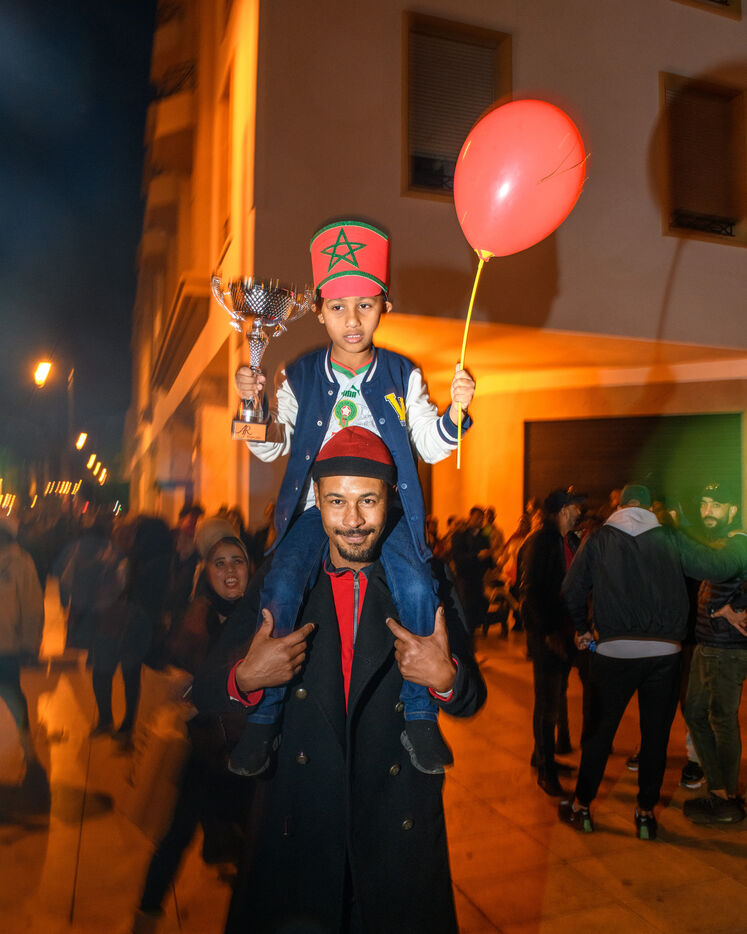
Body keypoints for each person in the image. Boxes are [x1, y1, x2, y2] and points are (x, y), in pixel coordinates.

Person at [193, 428, 486, 933]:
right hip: (300, 818)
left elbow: (470, 696)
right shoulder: (279, 581)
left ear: (390, 498)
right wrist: (247, 677)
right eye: (336, 501)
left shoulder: (427, 578)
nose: (352, 520)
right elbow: (204, 688)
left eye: (367, 500)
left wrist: (445, 678)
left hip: (393, 824)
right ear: (317, 500)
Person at [231, 218, 476, 777]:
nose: (352, 320)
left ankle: (421, 716)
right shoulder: (298, 375)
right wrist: (254, 407)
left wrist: (457, 412)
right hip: (313, 512)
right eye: (339, 307)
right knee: (282, 586)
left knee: (418, 587)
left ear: (384, 306)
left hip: (385, 515)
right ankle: (263, 718)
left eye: (365, 305)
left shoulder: (403, 373)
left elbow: (430, 444)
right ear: (319, 310)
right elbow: (273, 448)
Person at [559, 483, 745, 839]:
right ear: (649, 508)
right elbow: (717, 566)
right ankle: (645, 815)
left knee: (600, 734)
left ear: (621, 506)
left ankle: (582, 808)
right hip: (664, 654)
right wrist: (741, 540)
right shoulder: (670, 538)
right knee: (655, 737)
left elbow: (571, 589)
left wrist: (582, 629)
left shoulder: (599, 538)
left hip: (614, 653)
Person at [132, 518, 253, 933]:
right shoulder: (198, 615)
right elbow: (173, 663)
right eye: (220, 563)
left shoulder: (264, 617)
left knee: (251, 843)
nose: (230, 571)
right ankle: (145, 914)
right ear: (208, 570)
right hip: (203, 749)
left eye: (238, 562)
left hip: (246, 751)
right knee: (178, 832)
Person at [682, 481, 747, 824]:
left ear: (732, 510)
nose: (707, 511)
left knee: (722, 718)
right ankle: (719, 788)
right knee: (694, 712)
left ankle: (726, 799)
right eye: (704, 503)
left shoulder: (738, 543)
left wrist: (736, 606)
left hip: (725, 649)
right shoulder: (722, 542)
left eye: (716, 505)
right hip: (707, 644)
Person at [519, 487, 585, 796]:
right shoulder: (542, 541)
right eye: (575, 506)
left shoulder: (565, 539)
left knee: (556, 697)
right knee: (546, 703)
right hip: (547, 634)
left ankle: (542, 755)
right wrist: (547, 632)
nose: (580, 511)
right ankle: (546, 770)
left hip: (562, 631)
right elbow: (531, 589)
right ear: (561, 510)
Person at [0, 516, 45, 782]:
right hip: (8, 646)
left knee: (15, 699)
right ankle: (29, 753)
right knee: (15, 699)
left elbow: (31, 608)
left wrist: (30, 643)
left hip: (7, 648)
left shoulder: (21, 563)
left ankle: (29, 752)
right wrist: (30, 644)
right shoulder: (22, 562)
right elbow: (32, 607)